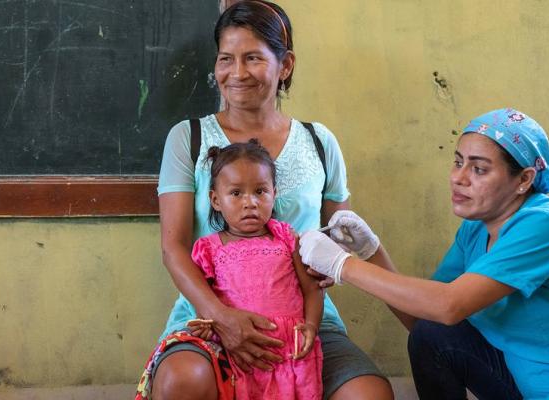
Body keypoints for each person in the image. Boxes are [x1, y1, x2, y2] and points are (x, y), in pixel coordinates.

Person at [140, 1, 395, 399]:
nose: (237, 73)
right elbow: (174, 248)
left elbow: (339, 236)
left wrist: (333, 261)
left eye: (253, 58)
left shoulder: (318, 142)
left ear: (285, 65)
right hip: (208, 314)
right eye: (227, 58)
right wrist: (221, 316)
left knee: (369, 394)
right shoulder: (188, 138)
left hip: (305, 321)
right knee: (182, 380)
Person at [299, 108, 549, 399]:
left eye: (479, 169)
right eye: (458, 162)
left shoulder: (547, 224)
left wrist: (343, 264)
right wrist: (372, 252)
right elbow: (425, 320)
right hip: (527, 384)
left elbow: (448, 305)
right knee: (432, 337)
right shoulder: (476, 228)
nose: (459, 178)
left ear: (524, 180)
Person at [193, 140, 324, 399]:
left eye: (260, 191)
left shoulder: (287, 238)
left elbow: (311, 289)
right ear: (215, 200)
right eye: (236, 193)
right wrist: (208, 326)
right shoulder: (208, 249)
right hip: (238, 350)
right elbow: (205, 304)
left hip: (291, 350)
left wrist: (311, 325)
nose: (250, 202)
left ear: (274, 193)